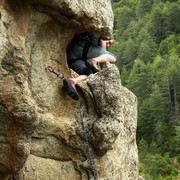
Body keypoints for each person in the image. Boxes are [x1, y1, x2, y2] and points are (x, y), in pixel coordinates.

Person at [63, 32, 116, 100]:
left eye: (110, 45)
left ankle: (72, 81)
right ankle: (94, 60)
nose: (108, 45)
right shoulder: (100, 35)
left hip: (72, 57)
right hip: (81, 45)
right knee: (114, 57)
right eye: (109, 42)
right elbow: (103, 39)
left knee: (89, 73)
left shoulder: (96, 45)